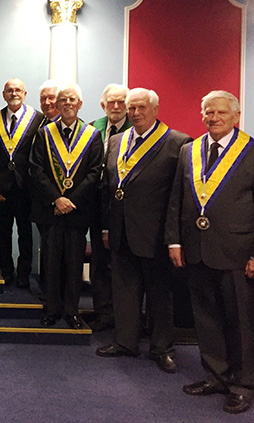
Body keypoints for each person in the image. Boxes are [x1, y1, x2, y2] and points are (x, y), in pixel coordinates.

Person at [166, 90, 254, 415]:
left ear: (236, 116)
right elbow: (176, 200)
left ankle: (243, 384)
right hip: (196, 248)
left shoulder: (251, 151)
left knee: (240, 321)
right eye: (208, 112)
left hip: (237, 252)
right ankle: (216, 375)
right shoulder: (189, 150)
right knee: (206, 317)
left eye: (221, 112)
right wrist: (174, 242)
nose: (214, 118)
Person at [96, 88, 190, 374]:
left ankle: (162, 349)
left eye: (141, 108)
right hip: (120, 229)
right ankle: (125, 342)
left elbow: (178, 197)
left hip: (156, 234)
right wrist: (106, 226)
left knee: (159, 295)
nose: (135, 113)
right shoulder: (117, 141)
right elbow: (109, 187)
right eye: (131, 108)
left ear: (155, 110)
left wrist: (174, 238)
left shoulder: (177, 143)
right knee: (124, 290)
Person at [30, 83, 102, 329]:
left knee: (73, 264)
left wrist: (72, 201)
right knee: (50, 263)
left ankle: (72, 311)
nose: (67, 103)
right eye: (63, 100)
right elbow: (36, 170)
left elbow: (94, 173)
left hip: (77, 212)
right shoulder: (44, 134)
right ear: (57, 105)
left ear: (80, 104)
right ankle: (52, 309)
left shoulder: (92, 135)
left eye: (72, 99)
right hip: (51, 210)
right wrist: (56, 199)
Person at [0, 78, 44, 287]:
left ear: (25, 94)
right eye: (9, 90)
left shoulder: (38, 119)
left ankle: (23, 273)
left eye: (18, 90)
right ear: (4, 95)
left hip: (25, 185)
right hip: (1, 184)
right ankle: (6, 271)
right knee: (4, 232)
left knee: (25, 232)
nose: (14, 94)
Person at [87, 84, 132, 332]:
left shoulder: (136, 129)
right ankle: (103, 313)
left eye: (121, 102)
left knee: (122, 263)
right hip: (97, 204)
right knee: (99, 261)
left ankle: (125, 316)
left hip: (126, 207)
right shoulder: (93, 127)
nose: (116, 106)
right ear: (103, 105)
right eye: (111, 102)